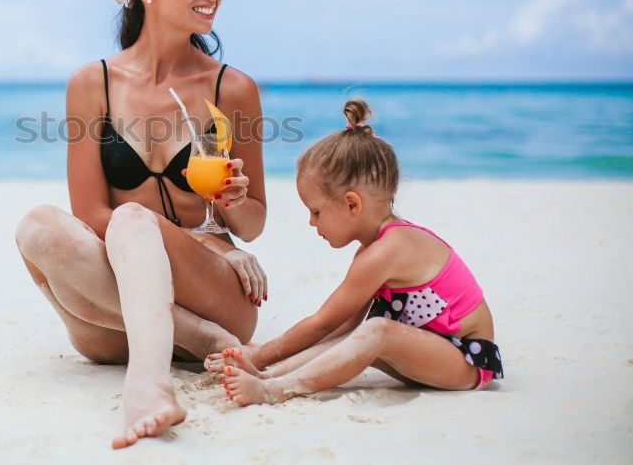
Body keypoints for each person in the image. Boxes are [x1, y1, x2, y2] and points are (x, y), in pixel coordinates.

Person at [14, 0, 269, 448]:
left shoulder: (233, 88)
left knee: (131, 218)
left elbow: (254, 222)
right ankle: (198, 340)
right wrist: (192, 233)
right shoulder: (94, 84)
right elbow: (88, 213)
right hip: (113, 324)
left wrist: (231, 209)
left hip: (215, 293)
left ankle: (149, 387)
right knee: (38, 227)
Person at [210, 99, 503, 405]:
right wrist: (263, 365)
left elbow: (321, 322)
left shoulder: (389, 250)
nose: (311, 222)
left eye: (316, 212)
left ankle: (274, 390)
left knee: (377, 331)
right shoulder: (372, 250)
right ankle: (266, 379)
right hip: (427, 351)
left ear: (352, 204)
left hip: (466, 360)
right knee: (357, 337)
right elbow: (340, 328)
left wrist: (260, 352)